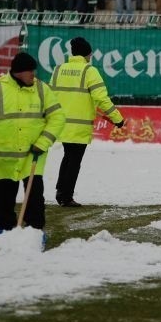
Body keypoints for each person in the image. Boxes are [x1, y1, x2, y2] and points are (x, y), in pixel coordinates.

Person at [0, 52, 65, 231]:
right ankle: (5, 231)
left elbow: (58, 118)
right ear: (19, 72)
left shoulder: (42, 89)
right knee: (4, 202)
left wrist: (42, 142)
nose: (34, 75)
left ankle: (35, 232)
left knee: (35, 199)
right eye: (31, 71)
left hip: (33, 157)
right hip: (3, 160)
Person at [50, 37, 124, 207]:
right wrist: (118, 119)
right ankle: (66, 196)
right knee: (74, 160)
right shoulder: (89, 71)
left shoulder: (58, 69)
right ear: (86, 53)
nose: (91, 56)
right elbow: (101, 99)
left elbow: (50, 95)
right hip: (80, 125)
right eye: (90, 53)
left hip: (62, 123)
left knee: (68, 157)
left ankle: (61, 191)